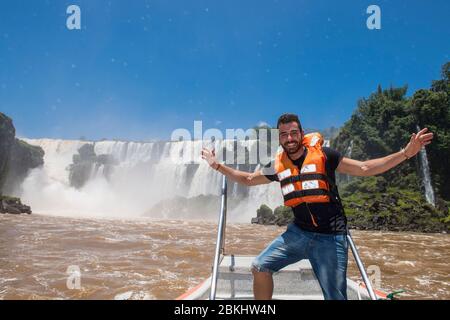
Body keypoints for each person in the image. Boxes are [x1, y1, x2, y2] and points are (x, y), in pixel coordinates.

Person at [201, 113, 433, 300]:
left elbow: (364, 168)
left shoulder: (325, 155)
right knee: (260, 267)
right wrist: (217, 165)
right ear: (279, 139)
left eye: (293, 133)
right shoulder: (277, 165)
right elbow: (249, 180)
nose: (289, 138)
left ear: (301, 134)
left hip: (330, 238)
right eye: (284, 135)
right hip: (298, 233)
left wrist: (405, 153)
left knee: (334, 296)